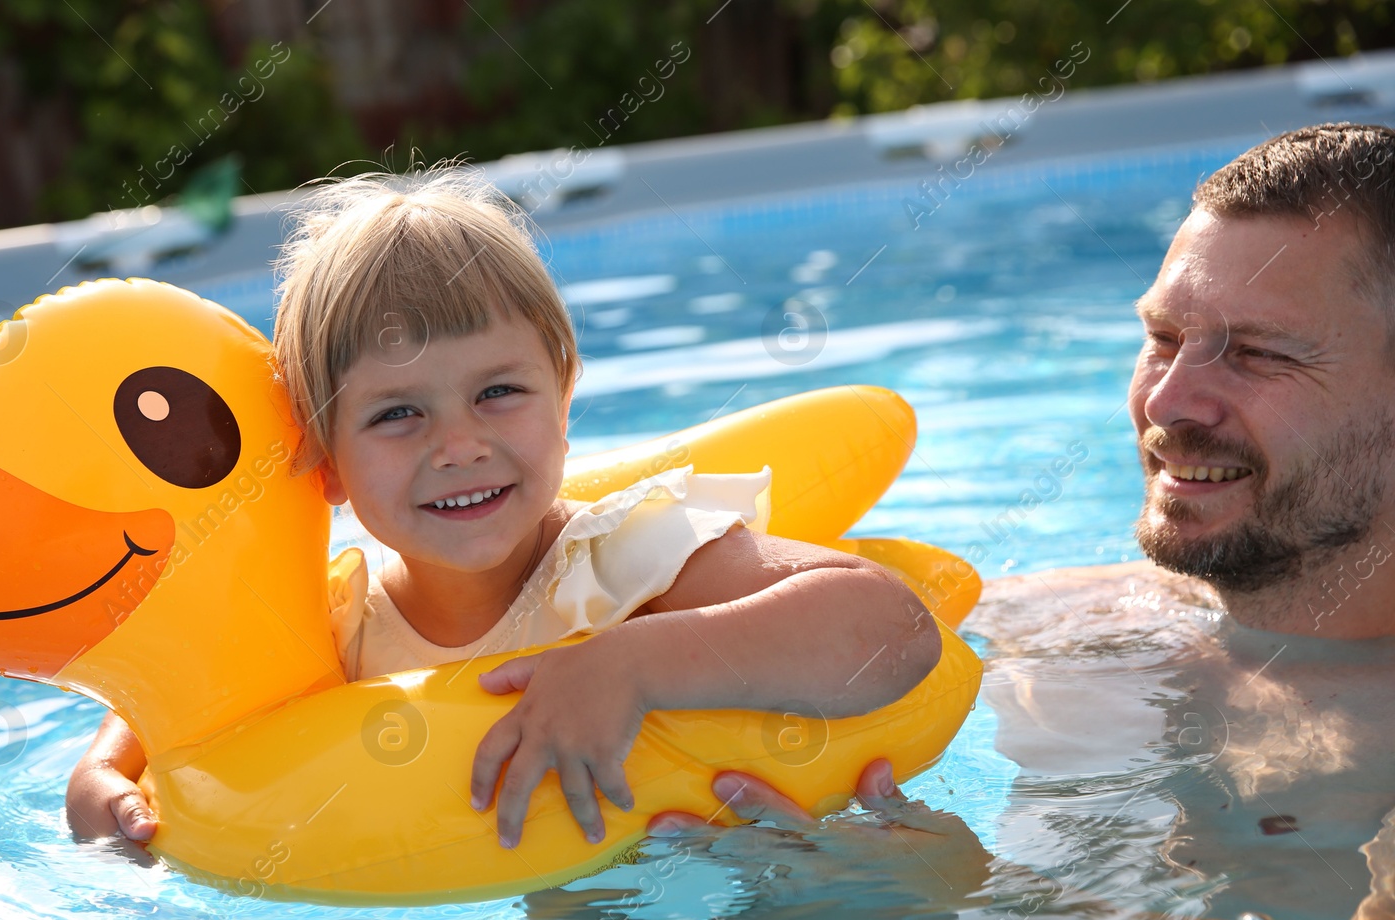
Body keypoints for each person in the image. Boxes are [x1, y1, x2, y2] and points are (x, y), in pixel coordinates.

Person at [660, 122, 1395, 920]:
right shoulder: (1067, 624)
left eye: (1259, 355)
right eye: (1163, 337)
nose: (1167, 404)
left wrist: (973, 908)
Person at [66, 168, 942, 852]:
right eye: (397, 413)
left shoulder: (628, 559)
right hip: (574, 881)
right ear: (323, 464)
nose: (458, 443)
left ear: (563, 399)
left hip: (803, 841)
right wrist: (107, 768)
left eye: (497, 391)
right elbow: (200, 681)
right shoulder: (339, 618)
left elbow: (893, 628)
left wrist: (631, 666)